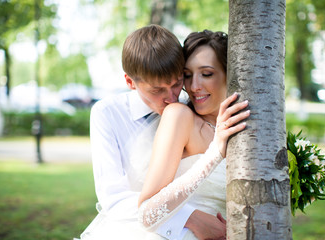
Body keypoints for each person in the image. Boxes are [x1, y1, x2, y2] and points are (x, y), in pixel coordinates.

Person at [76, 25, 235, 240]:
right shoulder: (109, 114)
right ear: (130, 82)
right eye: (157, 90)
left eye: (178, 82)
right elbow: (114, 199)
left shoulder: (194, 108)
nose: (172, 97)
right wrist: (190, 218)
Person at [137, 30, 250, 239]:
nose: (194, 86)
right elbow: (146, 213)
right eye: (187, 76)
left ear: (230, 75)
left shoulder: (248, 129)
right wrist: (214, 153)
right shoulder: (180, 117)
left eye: (206, 74)